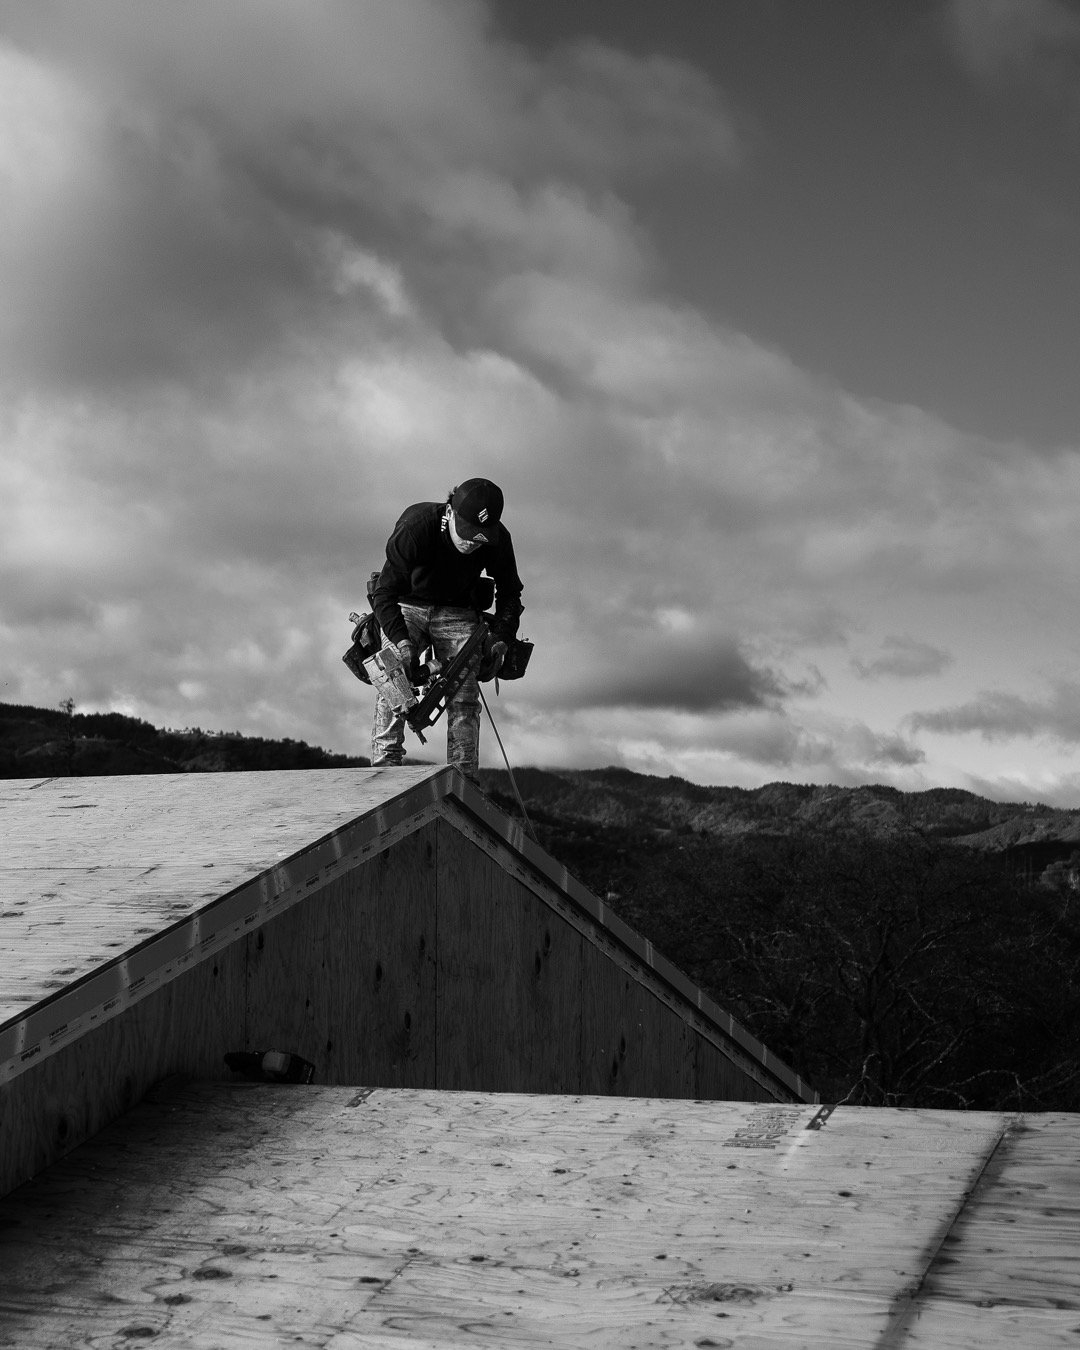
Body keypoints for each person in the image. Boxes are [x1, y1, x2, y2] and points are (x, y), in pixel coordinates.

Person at [369, 478, 524, 780]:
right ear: (450, 512)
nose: (471, 542)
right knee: (392, 674)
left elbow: (510, 593)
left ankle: (463, 776)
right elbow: (384, 594)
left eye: (480, 538)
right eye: (467, 533)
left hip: (459, 610)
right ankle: (385, 768)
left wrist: (502, 637)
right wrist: (402, 643)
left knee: (464, 692)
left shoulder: (497, 539)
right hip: (407, 603)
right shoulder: (416, 527)